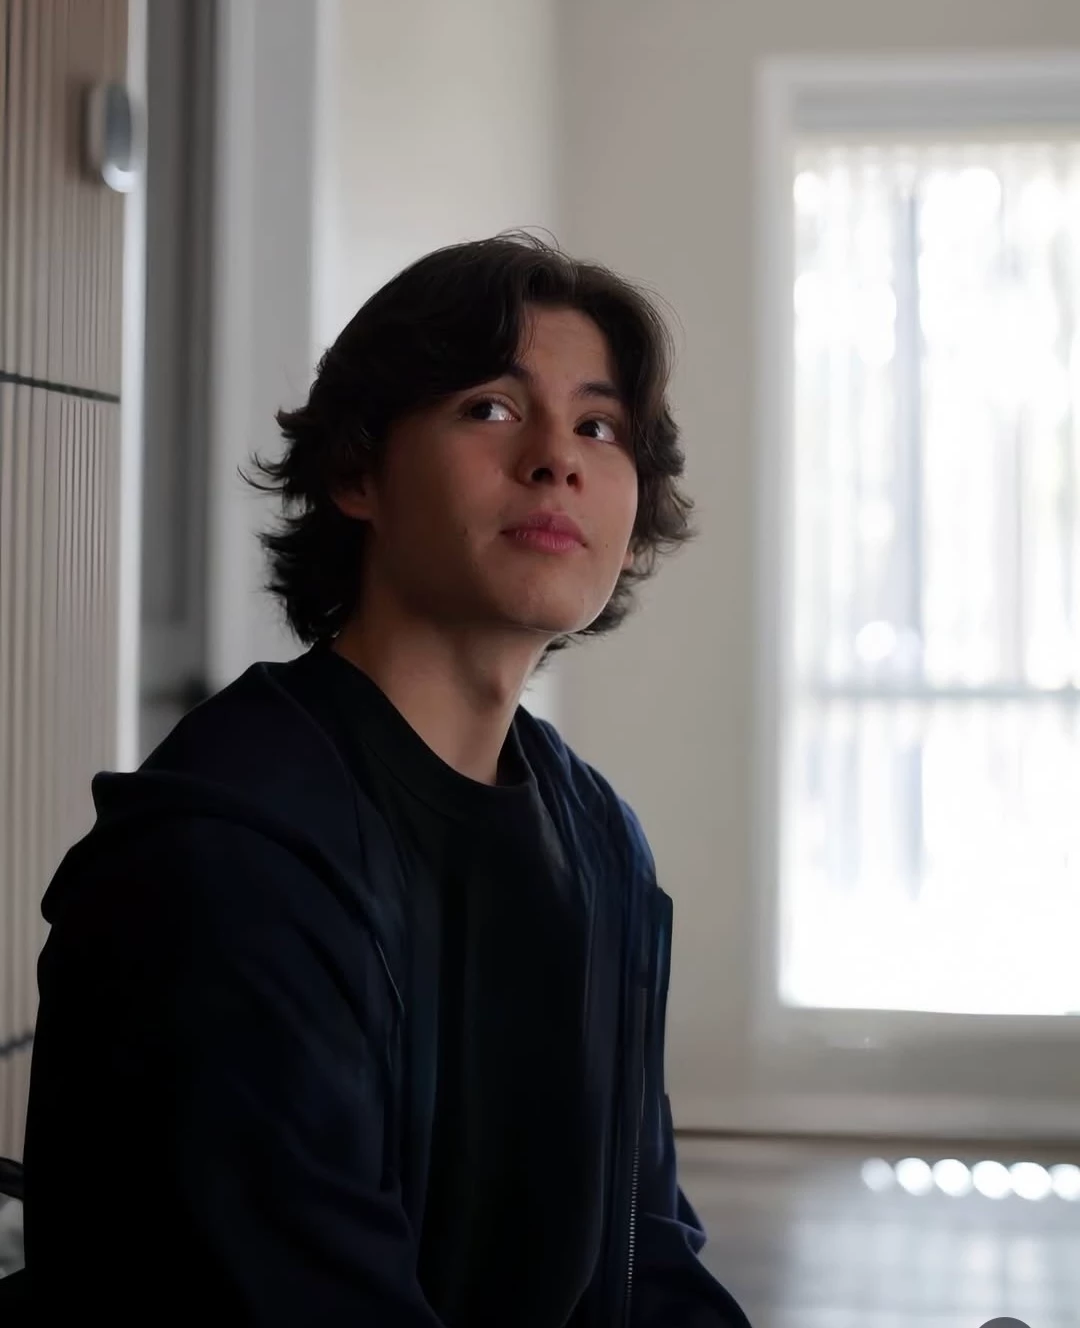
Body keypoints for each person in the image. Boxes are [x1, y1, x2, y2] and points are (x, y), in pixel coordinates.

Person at [22, 234, 752, 1326]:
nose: (557, 458)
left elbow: (647, 1258)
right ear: (357, 472)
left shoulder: (602, 838)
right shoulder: (228, 854)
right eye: (491, 408)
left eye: (599, 428)